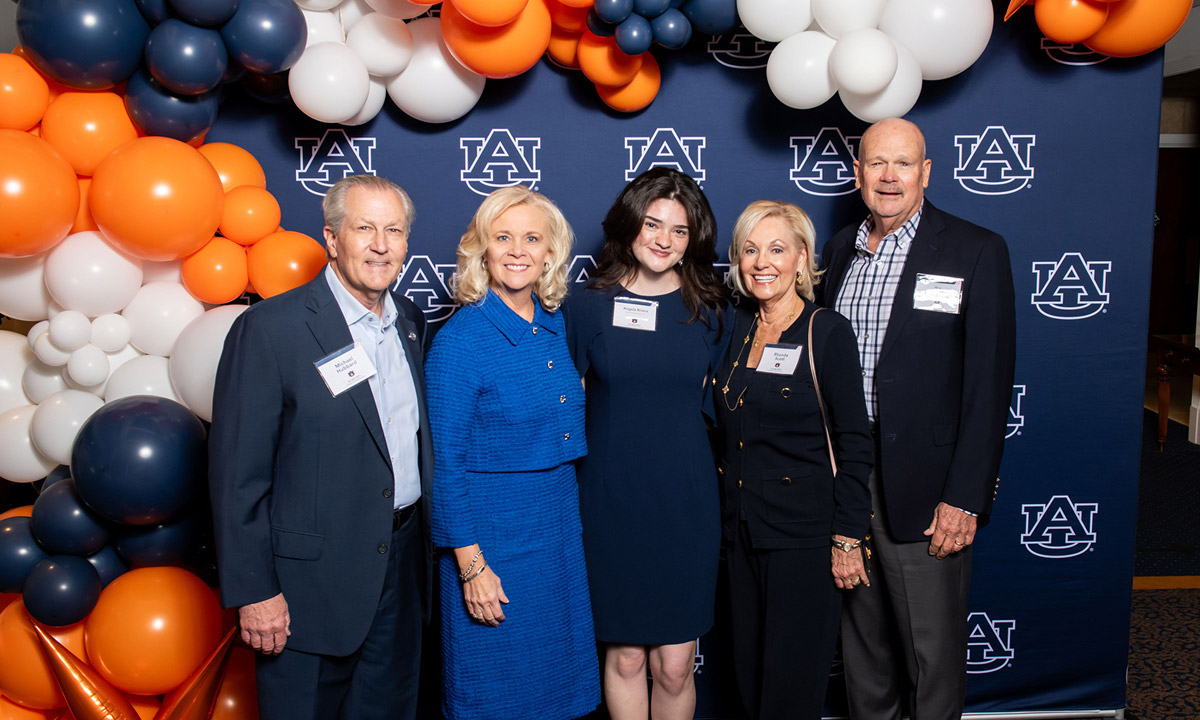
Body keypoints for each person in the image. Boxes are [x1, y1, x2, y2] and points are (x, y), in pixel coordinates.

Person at [208, 174, 432, 720]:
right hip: (307, 588)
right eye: (364, 228)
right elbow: (238, 475)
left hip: (400, 571)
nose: (380, 244)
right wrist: (255, 591)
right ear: (332, 239)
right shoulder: (270, 329)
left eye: (394, 230)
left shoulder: (411, 325)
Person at [819, 117, 1016, 720]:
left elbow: (989, 385)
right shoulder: (837, 252)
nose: (889, 177)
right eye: (876, 163)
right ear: (858, 174)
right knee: (864, 650)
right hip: (850, 477)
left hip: (929, 486)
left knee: (931, 657)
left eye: (903, 164)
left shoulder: (974, 249)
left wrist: (965, 495)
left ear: (926, 172)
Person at [425, 186, 600, 720]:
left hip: (556, 537)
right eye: (503, 238)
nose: (517, 250)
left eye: (531, 238)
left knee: (557, 692)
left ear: (551, 252)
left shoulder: (552, 326)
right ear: (482, 249)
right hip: (493, 543)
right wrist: (472, 566)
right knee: (496, 691)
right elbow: (445, 464)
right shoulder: (460, 340)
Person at [564, 167, 729, 720]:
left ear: (692, 241)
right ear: (630, 226)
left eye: (679, 231)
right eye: (653, 224)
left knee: (675, 665)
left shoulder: (711, 311)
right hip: (611, 504)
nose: (663, 239)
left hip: (686, 504)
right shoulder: (586, 307)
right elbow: (565, 406)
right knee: (629, 658)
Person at [714, 200, 873, 720]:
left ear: (802, 258)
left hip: (803, 539)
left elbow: (854, 442)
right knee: (745, 680)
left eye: (777, 249)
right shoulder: (734, 328)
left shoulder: (826, 332)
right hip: (740, 535)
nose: (762, 262)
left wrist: (848, 537)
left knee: (790, 688)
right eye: (750, 250)